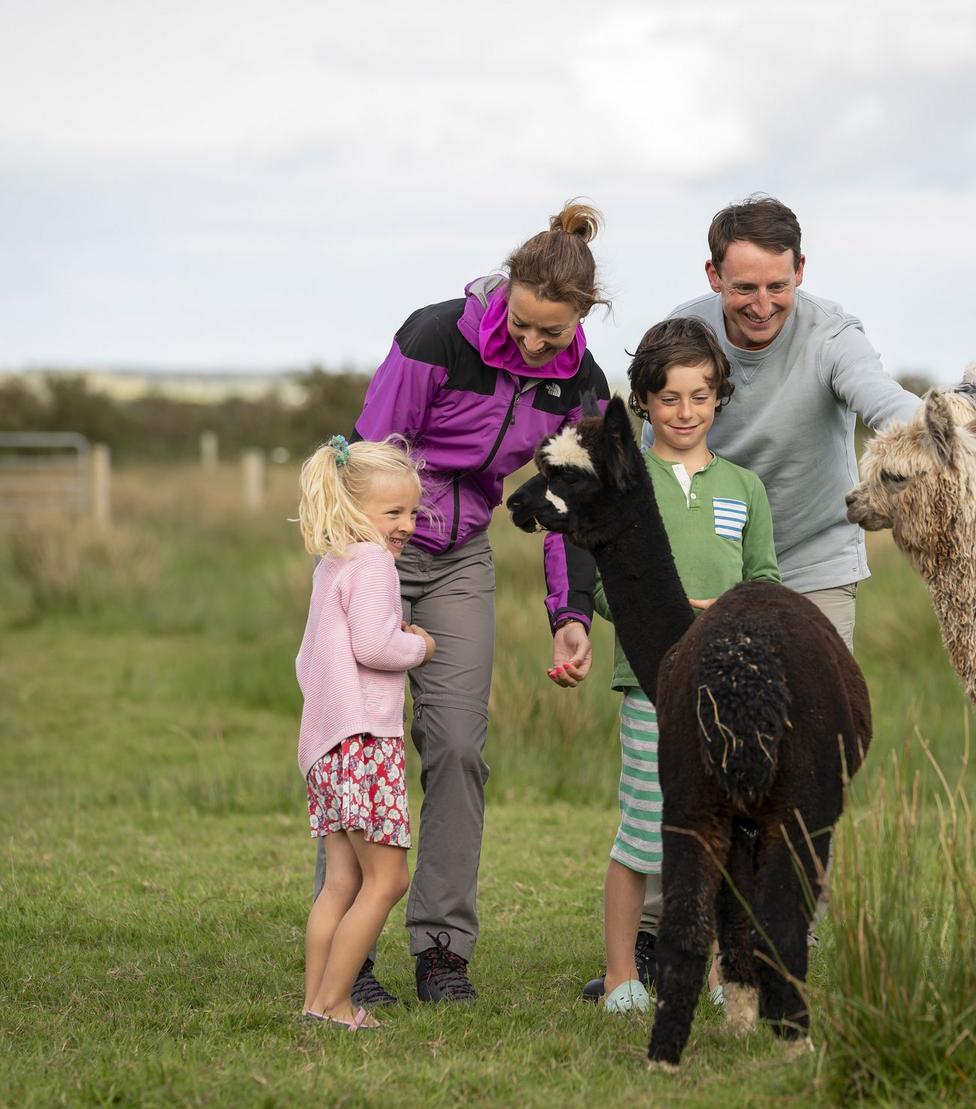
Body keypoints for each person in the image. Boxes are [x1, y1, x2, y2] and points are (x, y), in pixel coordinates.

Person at [334, 200, 612, 1007]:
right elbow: (368, 458)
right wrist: (364, 565)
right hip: (380, 550)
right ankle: (349, 954)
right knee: (363, 749)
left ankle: (442, 951)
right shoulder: (436, 337)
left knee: (457, 747)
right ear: (506, 293)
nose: (530, 343)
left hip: (462, 558)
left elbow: (568, 503)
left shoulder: (584, 388)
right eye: (520, 324)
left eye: (551, 333)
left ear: (581, 316)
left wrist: (570, 615)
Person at [626, 194, 920, 951]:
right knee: (688, 746)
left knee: (813, 749)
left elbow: (880, 398)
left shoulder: (833, 334)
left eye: (777, 286)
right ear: (713, 276)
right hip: (711, 571)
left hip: (813, 561)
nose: (762, 305)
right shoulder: (685, 332)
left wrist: (936, 431)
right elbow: (648, 438)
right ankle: (665, 930)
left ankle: (790, 933)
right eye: (744, 287)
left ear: (801, 271)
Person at [583, 318, 780, 1013]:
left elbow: (765, 582)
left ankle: (725, 976)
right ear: (642, 400)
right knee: (644, 836)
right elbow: (602, 587)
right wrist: (666, 612)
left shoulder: (745, 488)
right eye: (669, 398)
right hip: (652, 687)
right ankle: (620, 977)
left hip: (727, 694)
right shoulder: (623, 484)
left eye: (700, 396)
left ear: (719, 396)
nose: (686, 411)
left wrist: (735, 613)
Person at [295, 435, 434, 1029]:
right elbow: (376, 646)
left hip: (326, 747)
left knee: (341, 881)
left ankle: (314, 1004)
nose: (406, 525)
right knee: (388, 879)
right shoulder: (374, 563)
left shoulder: (334, 564)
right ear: (355, 509)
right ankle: (337, 1004)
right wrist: (419, 645)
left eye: (412, 511)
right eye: (393, 512)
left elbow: (309, 657)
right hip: (365, 745)